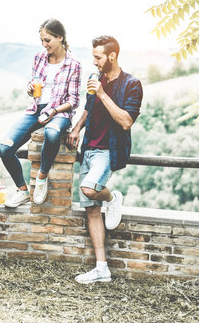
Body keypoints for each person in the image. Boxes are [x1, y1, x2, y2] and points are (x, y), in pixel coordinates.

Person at [67, 35, 143, 284]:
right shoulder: (94, 78)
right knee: (91, 212)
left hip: (108, 151)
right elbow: (88, 108)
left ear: (112, 56)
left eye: (98, 57)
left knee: (89, 189)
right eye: (93, 57)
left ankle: (112, 197)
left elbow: (126, 121)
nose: (95, 61)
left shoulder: (132, 84)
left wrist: (102, 93)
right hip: (88, 148)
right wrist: (77, 128)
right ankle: (102, 268)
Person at [0, 18, 81, 207]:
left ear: (60, 37)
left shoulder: (73, 65)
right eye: (42, 41)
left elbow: (74, 100)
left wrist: (54, 110)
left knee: (52, 134)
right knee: (5, 148)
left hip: (59, 113)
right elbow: (34, 82)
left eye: (48, 40)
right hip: (36, 109)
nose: (44, 45)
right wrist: (30, 88)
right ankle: (22, 190)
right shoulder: (39, 58)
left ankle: (41, 178)